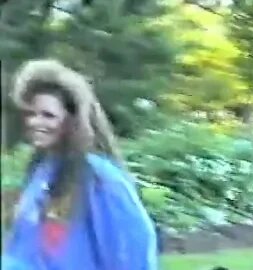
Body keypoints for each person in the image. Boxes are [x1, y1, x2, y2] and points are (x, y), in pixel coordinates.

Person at [1, 59, 158, 270]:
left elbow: (131, 248)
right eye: (31, 114)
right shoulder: (42, 171)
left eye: (48, 115)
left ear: (72, 120)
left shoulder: (99, 177)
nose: (35, 122)